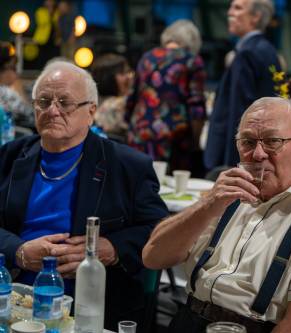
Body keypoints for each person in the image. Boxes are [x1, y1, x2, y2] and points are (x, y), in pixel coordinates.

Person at [143, 97, 291, 333]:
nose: (257, 154)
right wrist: (207, 206)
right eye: (247, 141)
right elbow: (153, 257)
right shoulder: (227, 196)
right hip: (187, 321)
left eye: (272, 141)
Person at [0, 61, 168, 332]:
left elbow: (160, 230)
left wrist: (112, 249)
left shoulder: (127, 166)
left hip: (90, 303)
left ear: (90, 112)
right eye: (43, 101)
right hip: (13, 297)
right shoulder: (9, 157)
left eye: (65, 102)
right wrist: (17, 251)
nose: (52, 110)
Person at [204, 0, 281, 171]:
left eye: (237, 8)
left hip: (235, 152)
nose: (229, 12)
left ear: (255, 17)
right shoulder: (267, 50)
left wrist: (231, 163)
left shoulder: (247, 53)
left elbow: (239, 112)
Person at [126, 19, 206, 176]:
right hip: (173, 138)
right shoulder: (192, 60)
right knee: (170, 189)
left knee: (138, 185)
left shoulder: (147, 57)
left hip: (139, 133)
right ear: (193, 42)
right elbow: (197, 107)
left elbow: (132, 98)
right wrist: (196, 144)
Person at [91, 53, 133, 141]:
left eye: (129, 72)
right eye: (122, 73)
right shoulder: (119, 104)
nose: (129, 77)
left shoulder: (93, 102)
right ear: (108, 78)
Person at [0, 41, 34, 129]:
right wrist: (20, 91)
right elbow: (32, 117)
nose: (16, 74)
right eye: (13, 68)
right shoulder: (5, 91)